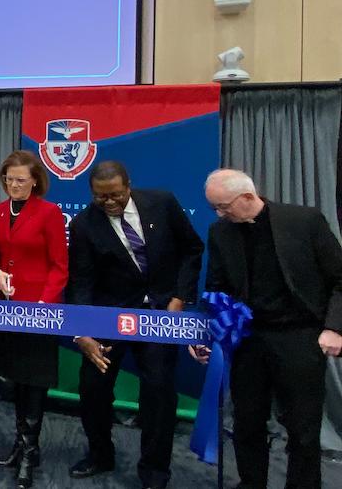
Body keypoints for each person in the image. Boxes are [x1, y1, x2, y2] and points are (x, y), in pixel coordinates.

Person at [191, 169, 342, 489]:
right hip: (247, 339)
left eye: (223, 206)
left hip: (299, 335)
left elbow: (339, 280)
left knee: (303, 429)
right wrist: (207, 334)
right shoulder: (220, 232)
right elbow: (216, 289)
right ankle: (251, 483)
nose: (220, 214)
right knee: (246, 424)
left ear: (247, 197)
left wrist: (334, 329)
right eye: (214, 208)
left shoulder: (304, 221)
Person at [65, 161, 204, 489]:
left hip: (158, 314)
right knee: (93, 389)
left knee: (159, 392)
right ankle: (100, 455)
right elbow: (81, 282)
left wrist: (180, 298)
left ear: (129, 185)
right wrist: (82, 331)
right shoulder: (85, 224)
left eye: (115, 195)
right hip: (108, 316)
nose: (109, 202)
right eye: (101, 197)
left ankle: (154, 472)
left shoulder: (162, 203)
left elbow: (192, 249)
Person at [0, 150, 68, 489]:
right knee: (17, 380)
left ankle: (30, 452)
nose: (15, 185)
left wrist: (42, 305)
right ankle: (20, 442)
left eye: (21, 180)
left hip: (39, 311)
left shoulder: (50, 213)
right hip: (7, 308)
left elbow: (60, 267)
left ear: (35, 180)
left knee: (35, 381)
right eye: (9, 179)